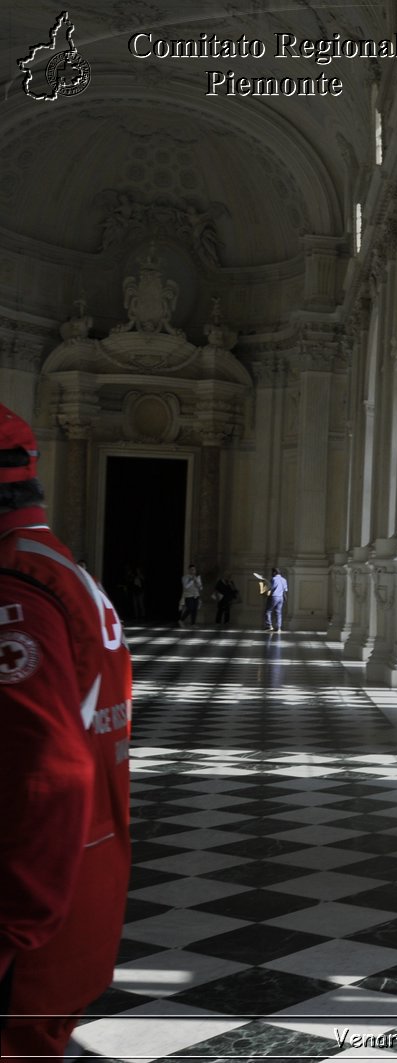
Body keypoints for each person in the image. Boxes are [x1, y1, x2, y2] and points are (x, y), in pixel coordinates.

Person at [0, 402, 134, 1056]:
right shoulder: (60, 567)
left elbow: (52, 775)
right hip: (82, 888)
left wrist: (10, 933)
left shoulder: (15, 588)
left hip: (30, 935)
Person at [264, 566, 287, 632]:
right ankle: (278, 628)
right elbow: (285, 590)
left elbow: (270, 588)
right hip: (281, 598)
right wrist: (285, 598)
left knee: (268, 611)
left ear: (274, 572)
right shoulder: (284, 580)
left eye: (272, 572)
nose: (271, 574)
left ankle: (269, 626)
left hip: (274, 597)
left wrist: (266, 591)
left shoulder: (273, 579)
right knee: (278, 613)